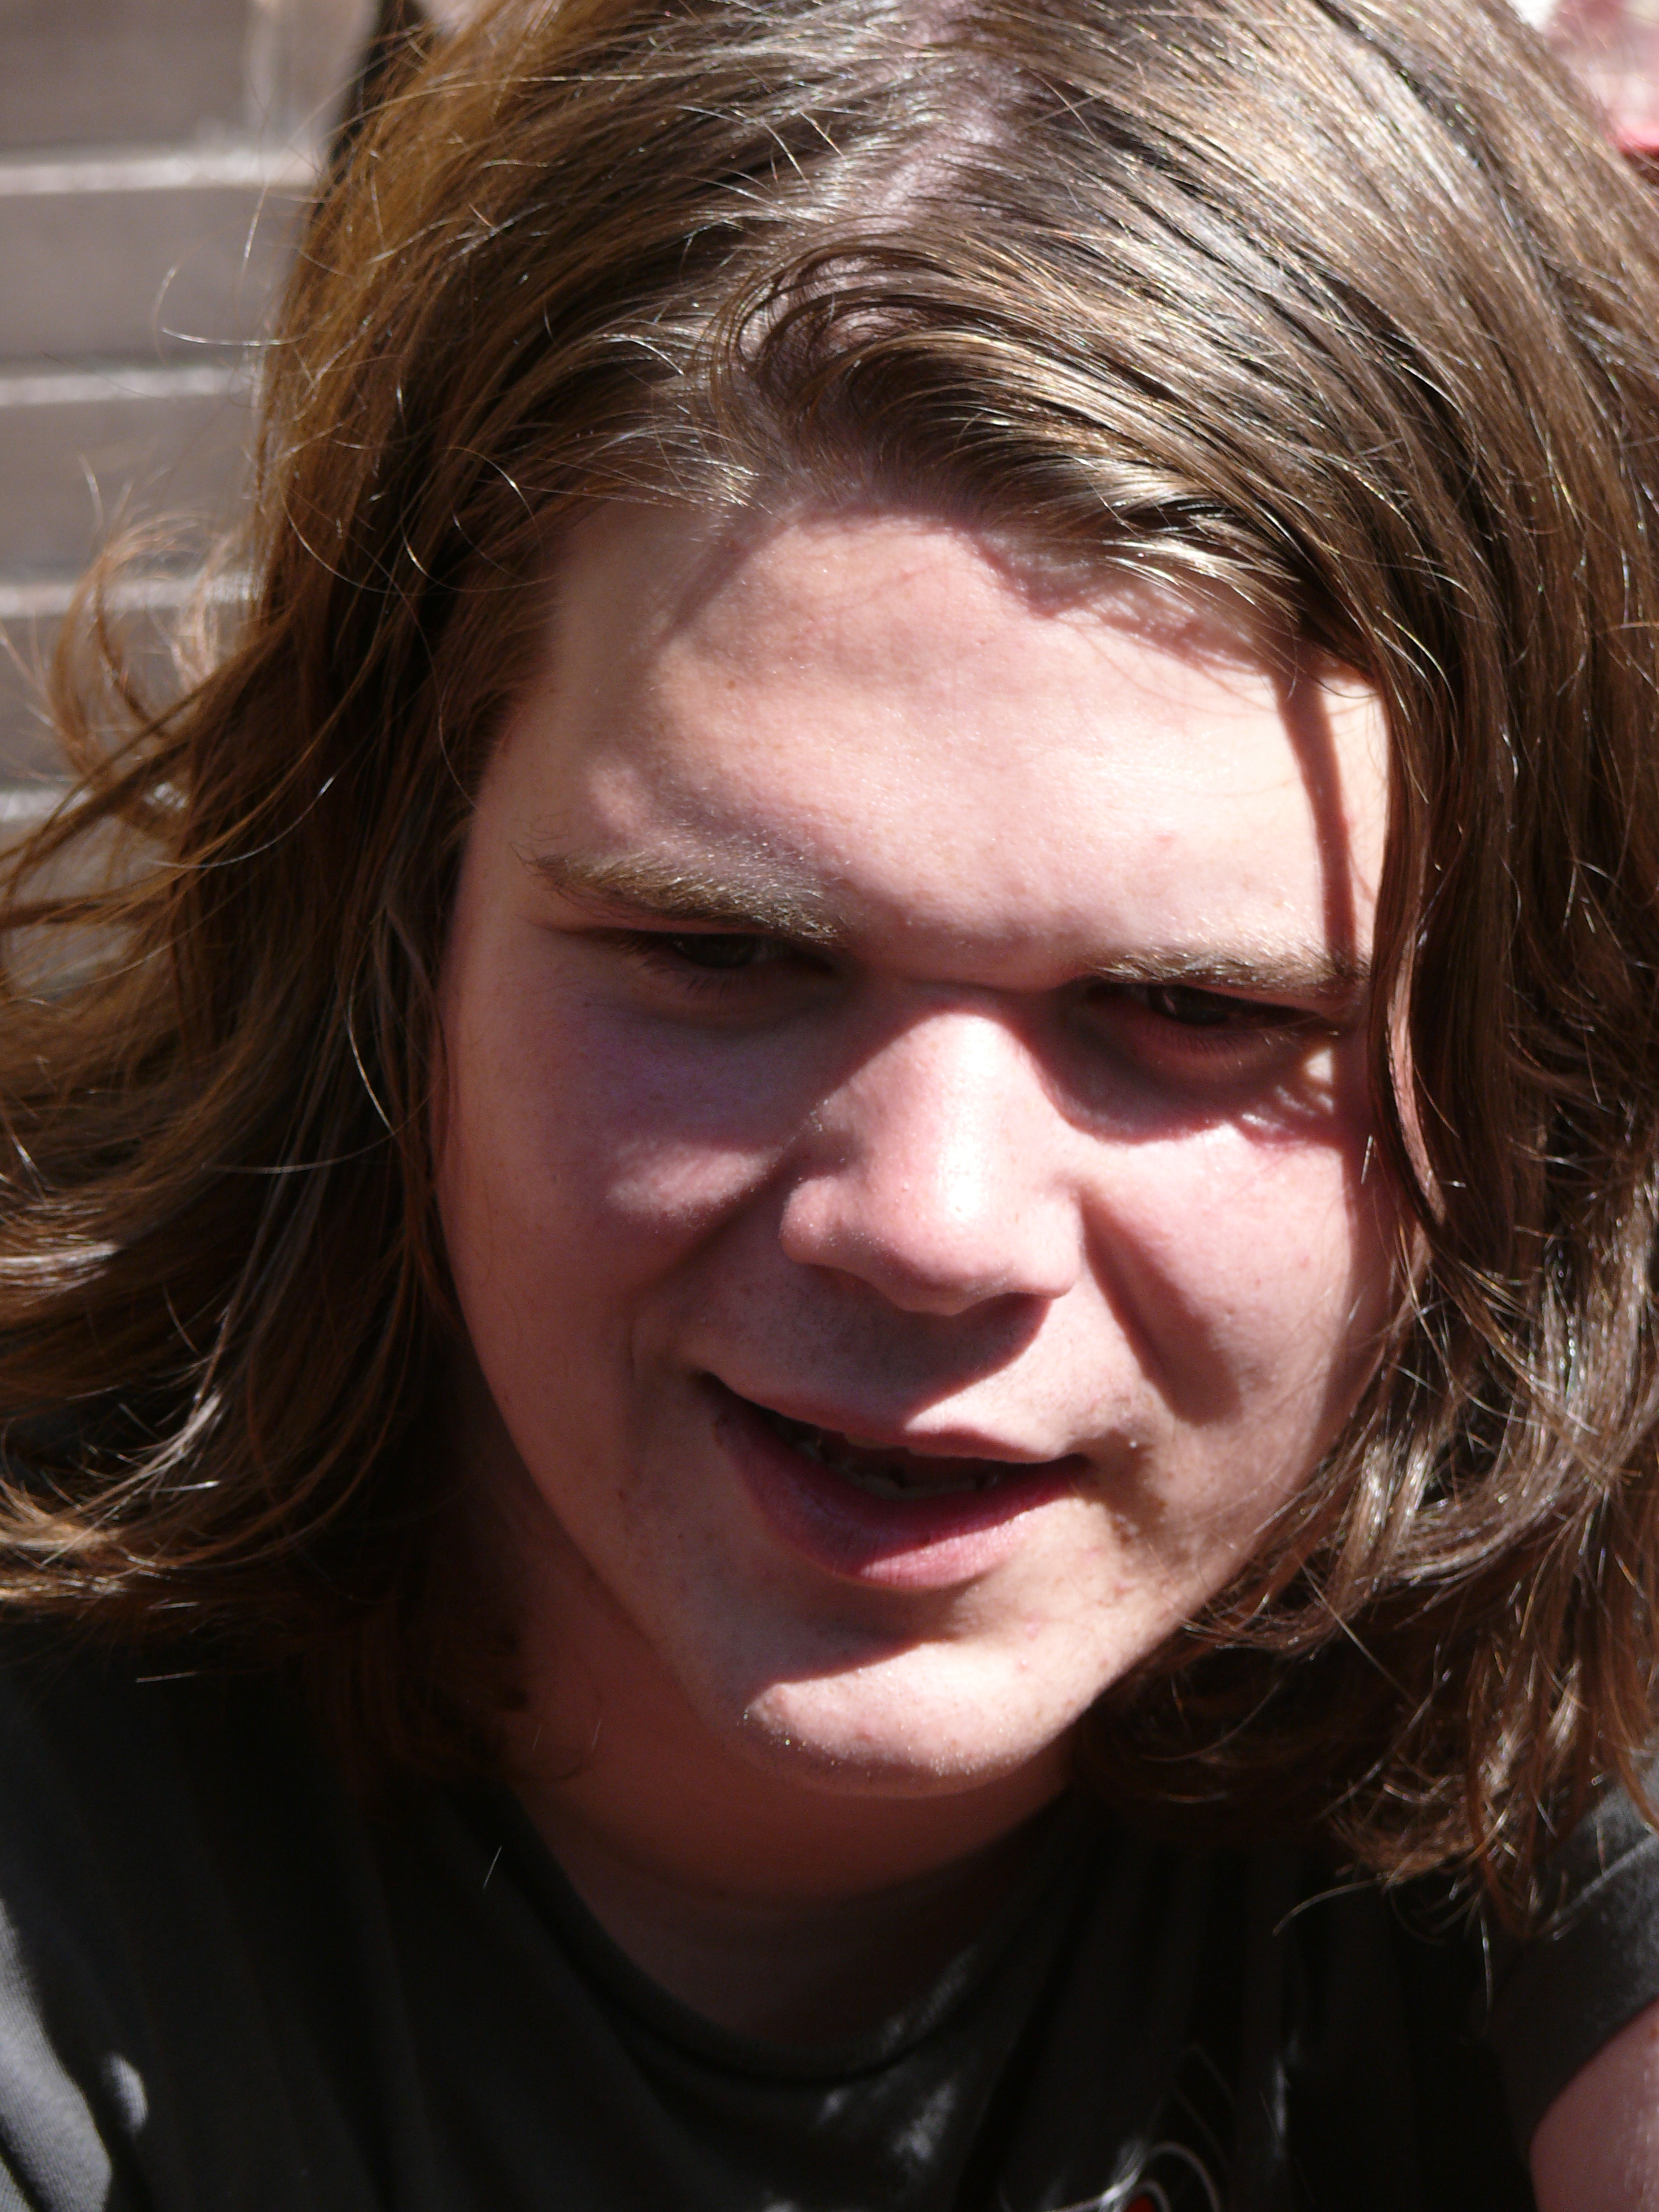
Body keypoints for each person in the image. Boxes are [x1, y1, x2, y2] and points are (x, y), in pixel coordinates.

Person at [1, 0, 1658, 2203]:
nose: (932, 1222)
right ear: (394, 919)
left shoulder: (1558, 1658)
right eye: (723, 954)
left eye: (1191, 1008)